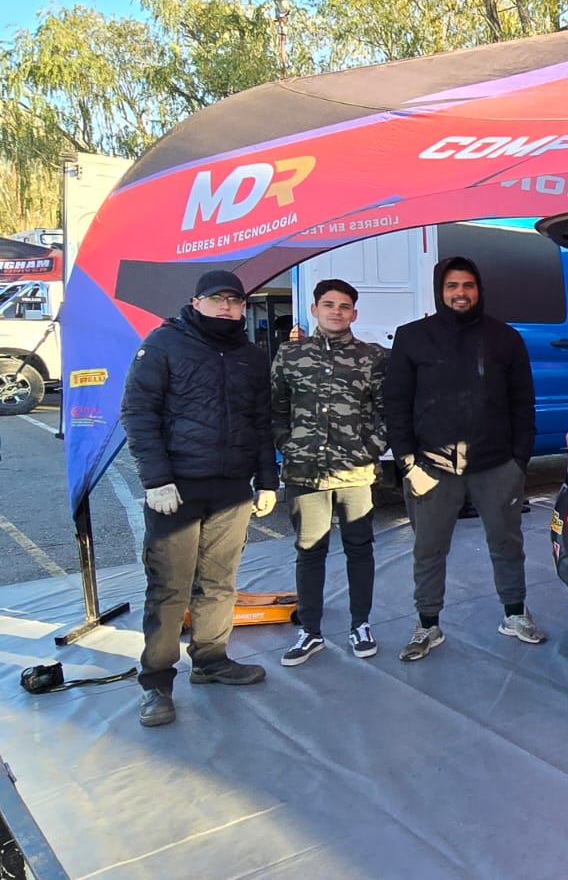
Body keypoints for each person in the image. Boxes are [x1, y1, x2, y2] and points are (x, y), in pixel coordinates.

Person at [120, 269, 279, 727]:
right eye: (217, 300)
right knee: (169, 588)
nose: (227, 308)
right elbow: (138, 411)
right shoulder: (164, 344)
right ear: (196, 302)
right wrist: (156, 480)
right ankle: (155, 683)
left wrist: (268, 480)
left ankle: (211, 661)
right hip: (177, 488)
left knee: (218, 582)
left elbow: (261, 422)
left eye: (235, 301)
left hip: (231, 487)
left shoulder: (250, 355)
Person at [383, 255, 543, 660]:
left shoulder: (505, 338)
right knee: (429, 549)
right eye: (452, 286)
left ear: (479, 290)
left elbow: (523, 403)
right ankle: (427, 625)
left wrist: (518, 462)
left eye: (467, 285)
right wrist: (407, 464)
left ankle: (514, 614)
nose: (460, 293)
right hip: (431, 468)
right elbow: (396, 405)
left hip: (495, 465)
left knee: (507, 544)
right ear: (440, 291)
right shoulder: (412, 337)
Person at [271, 278, 388, 666]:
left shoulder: (372, 357)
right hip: (305, 472)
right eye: (328, 304)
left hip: (355, 473)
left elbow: (386, 412)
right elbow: (275, 409)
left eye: (343, 306)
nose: (336, 311)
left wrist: (370, 449)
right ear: (314, 310)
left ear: (354, 313)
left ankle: (361, 623)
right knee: (309, 552)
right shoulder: (290, 355)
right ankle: (311, 630)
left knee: (360, 549)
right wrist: (288, 445)